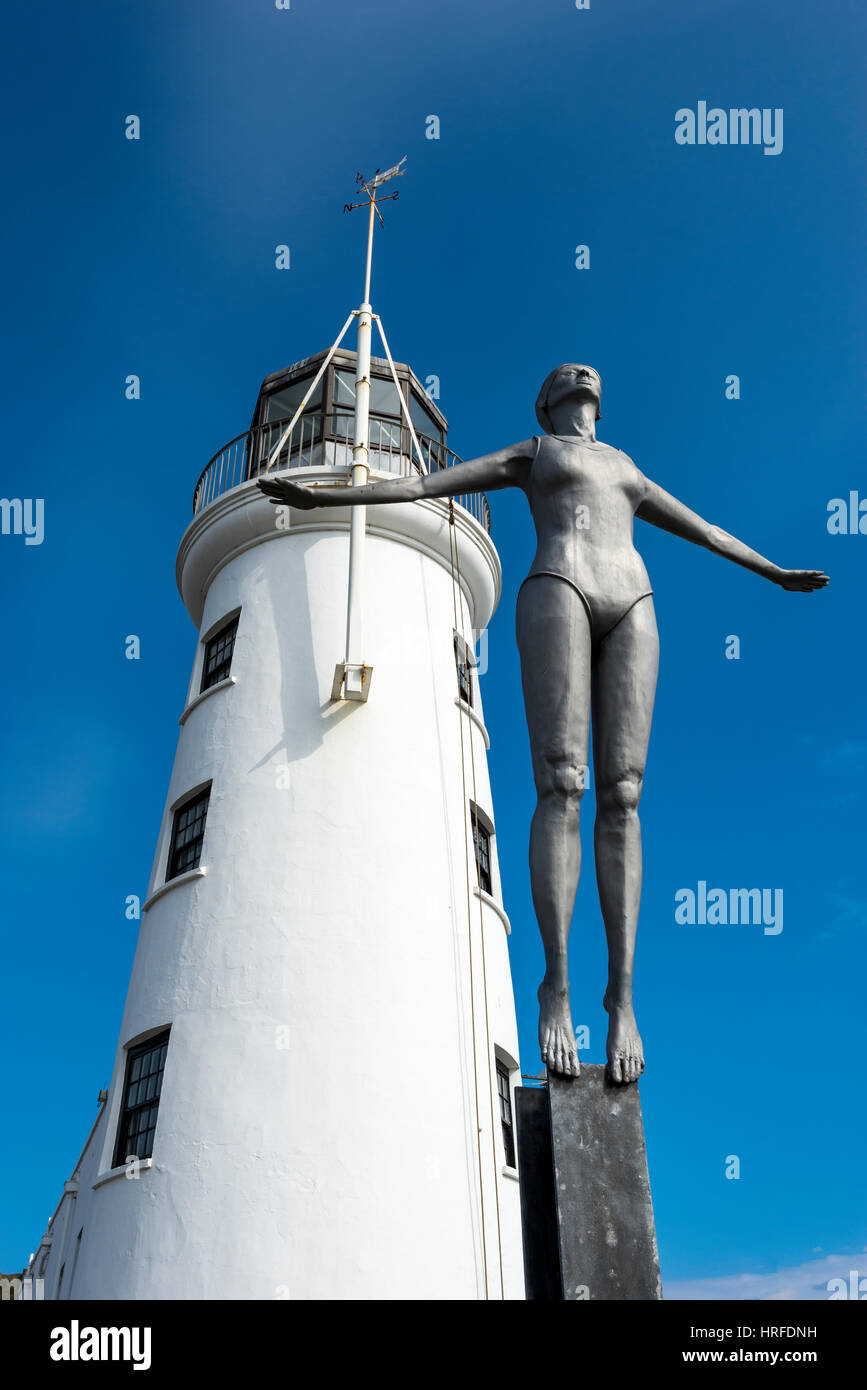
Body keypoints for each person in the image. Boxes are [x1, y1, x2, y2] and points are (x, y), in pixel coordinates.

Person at [258, 364, 828, 1082]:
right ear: (547, 399)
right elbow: (423, 484)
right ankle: (554, 985)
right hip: (556, 587)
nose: (582, 371)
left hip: (634, 602)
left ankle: (620, 999)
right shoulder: (534, 452)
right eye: (566, 372)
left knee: (623, 794)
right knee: (564, 782)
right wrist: (324, 496)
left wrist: (774, 573)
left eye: (588, 371)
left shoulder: (624, 465)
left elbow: (705, 530)